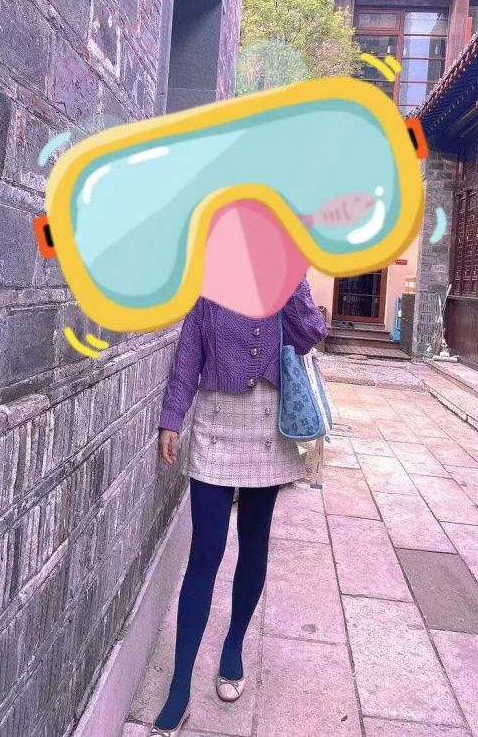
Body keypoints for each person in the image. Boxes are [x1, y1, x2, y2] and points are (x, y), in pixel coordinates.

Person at [150, 278, 327, 736]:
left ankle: (233, 646)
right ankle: (179, 686)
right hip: (215, 428)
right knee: (204, 554)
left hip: (268, 427)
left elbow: (310, 333)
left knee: (253, 546)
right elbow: (188, 353)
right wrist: (172, 417)